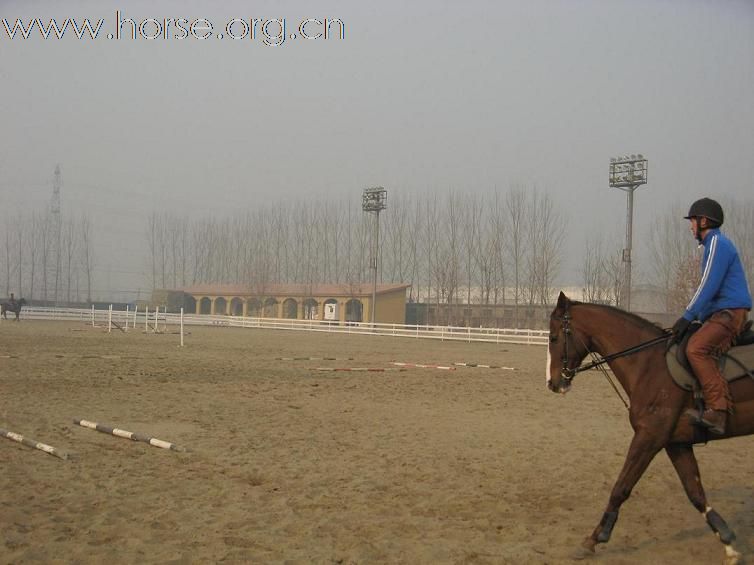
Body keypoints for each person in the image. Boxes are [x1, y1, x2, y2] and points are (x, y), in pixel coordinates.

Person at [671, 198, 752, 434]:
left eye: (693, 222)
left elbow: (709, 286)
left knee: (696, 349)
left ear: (703, 221)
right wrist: (697, 319)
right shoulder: (713, 245)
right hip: (720, 313)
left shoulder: (717, 243)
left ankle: (717, 411)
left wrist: (688, 316)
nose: (691, 227)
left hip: (729, 314)